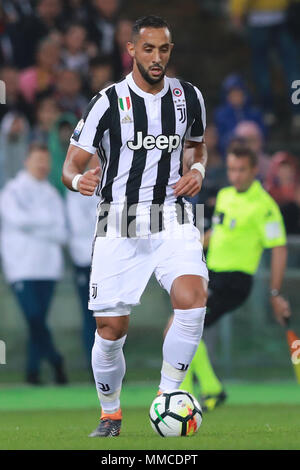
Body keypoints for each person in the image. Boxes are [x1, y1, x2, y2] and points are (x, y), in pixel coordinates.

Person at [62, 15, 209, 437]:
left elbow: (198, 147)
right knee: (111, 330)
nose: (158, 57)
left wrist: (196, 169)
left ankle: (168, 395)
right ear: (131, 51)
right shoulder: (107, 102)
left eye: (164, 49)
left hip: (171, 213)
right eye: (149, 49)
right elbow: (70, 165)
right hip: (118, 219)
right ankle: (110, 414)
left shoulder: (188, 97)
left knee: (193, 297)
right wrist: (78, 180)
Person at [174, 141, 291, 411]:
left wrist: (274, 293)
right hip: (211, 274)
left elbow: (280, 248)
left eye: (241, 170)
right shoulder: (225, 195)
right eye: (231, 169)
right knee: (181, 328)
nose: (235, 175)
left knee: (181, 327)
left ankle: (186, 399)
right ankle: (211, 391)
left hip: (235, 280)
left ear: (253, 171)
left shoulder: (265, 206)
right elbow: (218, 234)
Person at [0, 143, 68, 385]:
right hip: (22, 267)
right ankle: (56, 361)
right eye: (38, 159)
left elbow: (61, 232)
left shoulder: (51, 193)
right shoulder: (12, 191)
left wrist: (35, 225)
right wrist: (45, 223)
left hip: (48, 268)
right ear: (26, 161)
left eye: (46, 160)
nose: (42, 165)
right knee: (34, 318)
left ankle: (33, 373)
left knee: (37, 322)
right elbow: (16, 220)